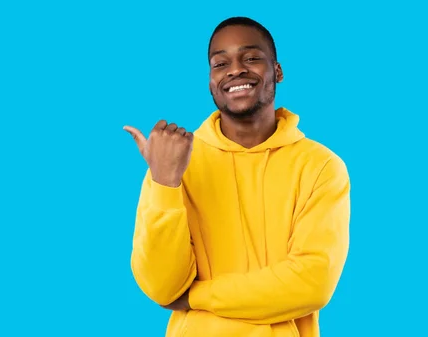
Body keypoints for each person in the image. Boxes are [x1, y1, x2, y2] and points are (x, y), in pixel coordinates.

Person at [123, 16, 351, 337]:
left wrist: (197, 296)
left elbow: (313, 283)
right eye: (220, 63)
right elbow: (162, 288)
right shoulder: (174, 163)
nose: (235, 70)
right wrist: (165, 182)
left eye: (252, 58)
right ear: (210, 80)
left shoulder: (320, 166)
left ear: (278, 71)